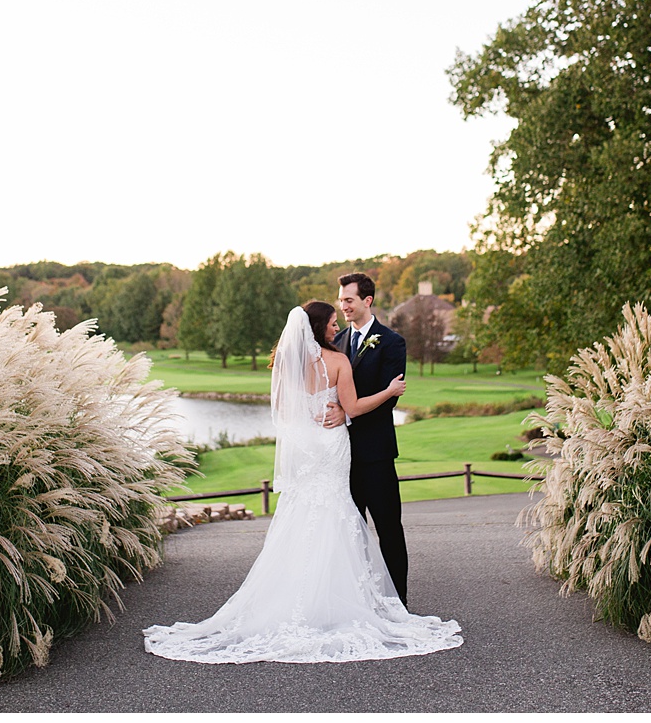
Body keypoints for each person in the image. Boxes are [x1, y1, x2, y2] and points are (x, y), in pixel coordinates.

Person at [142, 302, 461, 664]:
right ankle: (338, 604)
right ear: (318, 325)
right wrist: (390, 392)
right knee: (336, 514)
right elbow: (353, 409)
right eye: (331, 321)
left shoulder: (287, 363)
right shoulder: (337, 361)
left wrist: (309, 426)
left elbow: (282, 413)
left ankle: (298, 603)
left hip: (308, 447)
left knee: (304, 516)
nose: (335, 326)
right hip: (332, 445)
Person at [324, 271, 410, 604]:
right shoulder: (338, 342)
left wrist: (346, 412)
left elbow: (391, 397)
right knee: (351, 532)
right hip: (342, 455)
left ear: (367, 301)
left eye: (348, 300)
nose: (343, 306)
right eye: (341, 300)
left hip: (376, 453)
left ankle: (399, 602)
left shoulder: (391, 342)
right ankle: (361, 602)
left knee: (388, 529)